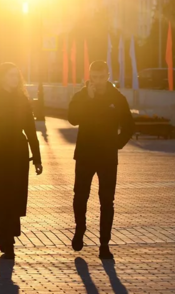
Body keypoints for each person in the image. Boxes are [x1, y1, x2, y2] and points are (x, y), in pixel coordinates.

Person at [68, 61, 134, 260]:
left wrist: (116, 144)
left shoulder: (117, 98)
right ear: (89, 76)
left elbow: (129, 126)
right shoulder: (81, 95)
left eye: (101, 76)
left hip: (107, 157)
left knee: (107, 201)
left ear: (107, 75)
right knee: (80, 196)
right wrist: (88, 99)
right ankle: (80, 229)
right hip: (85, 155)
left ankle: (104, 244)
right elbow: (72, 118)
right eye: (94, 77)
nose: (97, 81)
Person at [0, 62, 43, 259]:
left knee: (15, 195)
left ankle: (11, 235)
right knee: (0, 196)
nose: (15, 79)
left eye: (17, 76)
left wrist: (37, 159)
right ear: (2, 78)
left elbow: (31, 131)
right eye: (11, 75)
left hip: (19, 153)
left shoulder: (22, 100)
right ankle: (4, 239)